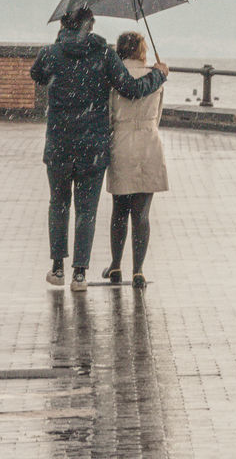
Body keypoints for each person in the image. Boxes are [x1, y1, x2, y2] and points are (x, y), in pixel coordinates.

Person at [30, 6, 168, 292]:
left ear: (64, 26)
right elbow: (131, 88)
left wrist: (58, 47)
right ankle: (80, 273)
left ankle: (57, 267)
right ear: (91, 26)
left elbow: (37, 75)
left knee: (58, 204)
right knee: (86, 210)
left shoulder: (50, 54)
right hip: (92, 146)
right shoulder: (104, 54)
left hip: (58, 144)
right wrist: (159, 75)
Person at [102, 30, 169, 289]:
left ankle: (116, 265)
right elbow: (159, 114)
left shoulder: (114, 78)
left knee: (119, 210)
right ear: (142, 50)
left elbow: (109, 115)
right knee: (141, 213)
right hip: (149, 142)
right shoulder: (156, 76)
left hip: (122, 141)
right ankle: (138, 270)